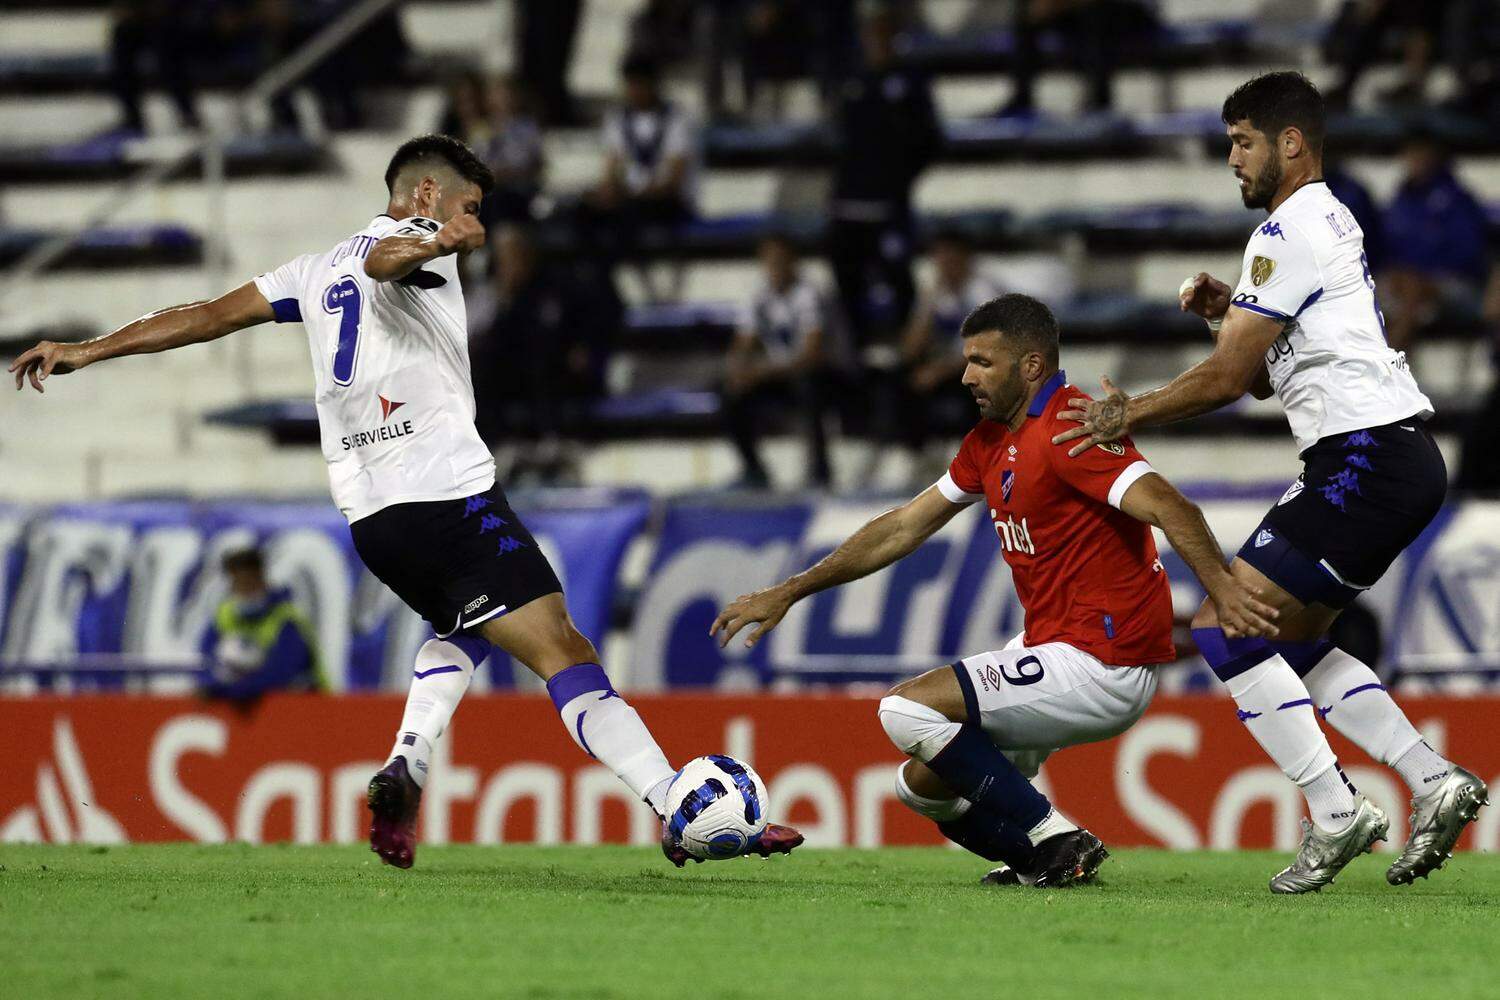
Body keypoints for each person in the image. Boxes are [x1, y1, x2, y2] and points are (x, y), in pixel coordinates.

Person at [9, 133, 801, 870]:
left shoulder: (311, 269)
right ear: (427, 191)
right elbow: (391, 259)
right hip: (446, 492)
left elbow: (207, 315)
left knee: (463, 625)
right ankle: (675, 801)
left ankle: (408, 759)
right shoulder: (422, 240)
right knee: (562, 647)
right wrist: (439, 239)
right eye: (469, 205)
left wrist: (89, 348)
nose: (474, 222)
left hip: (372, 519)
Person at [1054, 72, 1489, 893]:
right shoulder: (1324, 223)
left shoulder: (1287, 231)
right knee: (1282, 635)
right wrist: (1229, 312)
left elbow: (1225, 381)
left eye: (1242, 141)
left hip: (1362, 458)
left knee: (1223, 624)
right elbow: (1260, 375)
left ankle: (1335, 810)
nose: (1231, 159)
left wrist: (1127, 415)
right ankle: (1433, 781)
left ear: (1291, 143)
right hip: (1394, 459)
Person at [712, 293, 1281, 887]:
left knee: (904, 709)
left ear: (1031, 365)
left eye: (983, 361)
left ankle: (1055, 835)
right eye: (967, 361)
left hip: (1107, 660)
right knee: (921, 788)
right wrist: (792, 589)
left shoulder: (1069, 427)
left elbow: (1171, 505)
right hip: (1054, 647)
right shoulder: (990, 442)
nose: (966, 376)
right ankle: (1047, 863)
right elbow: (904, 527)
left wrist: (1222, 589)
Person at [827, 1, 941, 346]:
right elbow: (840, 139)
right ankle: (858, 357)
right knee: (847, 282)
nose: (875, 40)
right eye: (869, 32)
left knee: (898, 278)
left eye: (882, 32)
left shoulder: (910, 80)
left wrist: (899, 176)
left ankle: (907, 355)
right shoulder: (850, 79)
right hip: (848, 204)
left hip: (889, 204)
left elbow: (930, 139)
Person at [722, 234, 842, 488]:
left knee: (810, 386)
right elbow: (743, 342)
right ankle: (753, 469)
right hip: (779, 376)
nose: (775, 266)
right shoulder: (758, 296)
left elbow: (812, 354)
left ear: (793, 261)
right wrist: (738, 371)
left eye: (780, 260)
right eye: (769, 261)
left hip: (821, 374)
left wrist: (760, 373)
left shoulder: (810, 294)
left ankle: (820, 471)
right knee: (729, 392)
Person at [889, 231, 1005, 458]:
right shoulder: (936, 293)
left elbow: (983, 350)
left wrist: (937, 372)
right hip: (948, 367)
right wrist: (926, 307)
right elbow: (909, 349)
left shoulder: (982, 293)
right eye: (939, 258)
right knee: (900, 377)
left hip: (984, 368)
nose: (944, 264)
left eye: (950, 258)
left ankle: (979, 453)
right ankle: (917, 453)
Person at [1378, 129, 1489, 353]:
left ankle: (1384, 370)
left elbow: (1468, 253)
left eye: (1421, 152)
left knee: (1413, 290)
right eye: (1409, 153)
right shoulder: (1401, 199)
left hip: (1455, 284)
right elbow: (1387, 247)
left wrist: (1424, 274)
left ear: (1435, 155)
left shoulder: (1458, 199)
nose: (1415, 159)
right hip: (1402, 281)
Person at [201, 547, 324, 703]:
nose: (244, 590)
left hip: (303, 709)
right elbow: (205, 661)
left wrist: (226, 692)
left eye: (249, 582)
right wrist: (213, 685)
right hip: (245, 705)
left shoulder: (286, 619)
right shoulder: (224, 615)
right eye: (238, 583)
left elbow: (280, 674)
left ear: (261, 578)